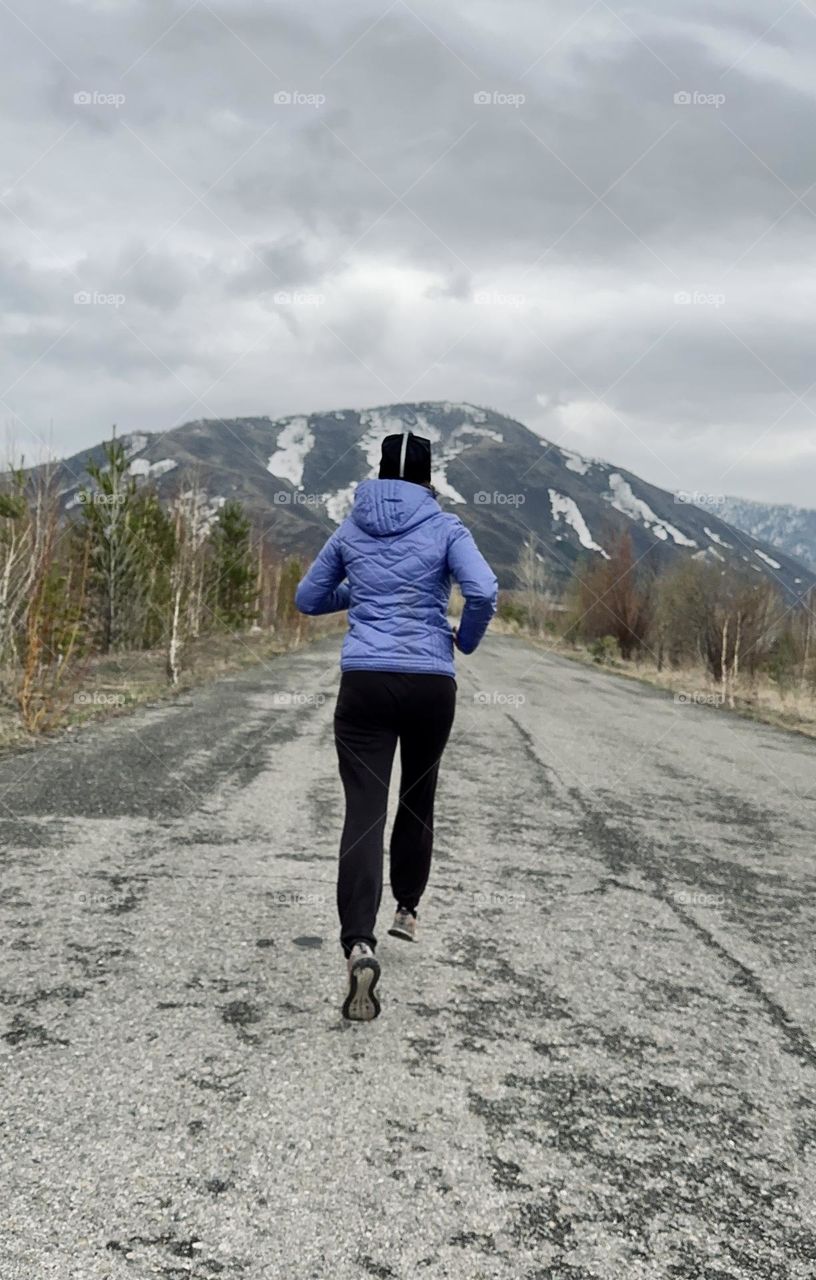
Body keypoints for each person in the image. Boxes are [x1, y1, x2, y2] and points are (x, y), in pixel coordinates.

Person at [295, 430, 498, 1021]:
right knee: (417, 797)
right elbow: (483, 590)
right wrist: (464, 640)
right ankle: (407, 909)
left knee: (364, 812)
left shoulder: (350, 529)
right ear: (429, 479)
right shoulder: (447, 527)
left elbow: (308, 598)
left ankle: (359, 943)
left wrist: (361, 593)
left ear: (380, 474)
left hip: (365, 681)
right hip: (431, 682)